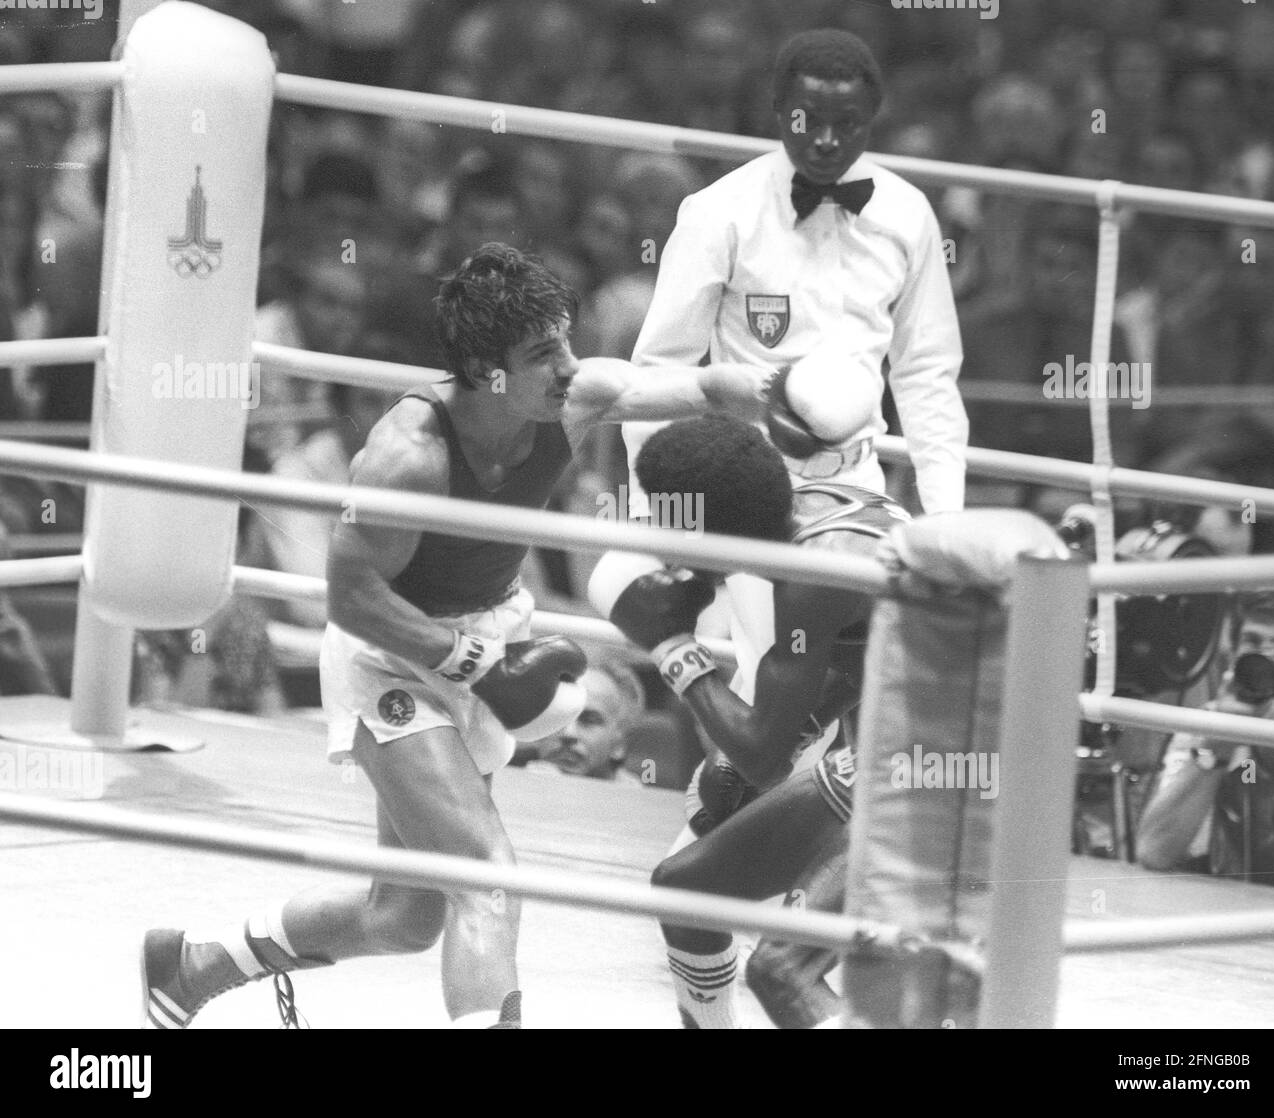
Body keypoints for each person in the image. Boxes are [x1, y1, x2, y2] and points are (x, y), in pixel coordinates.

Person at [139, 243, 807, 1030]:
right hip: (392, 658)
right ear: (486, 369)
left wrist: (784, 390)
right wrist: (471, 662)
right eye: (541, 354)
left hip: (486, 635)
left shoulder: (570, 398)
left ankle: (195, 965)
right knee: (488, 877)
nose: (567, 365)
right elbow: (352, 598)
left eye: (564, 339)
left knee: (405, 917)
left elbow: (698, 387)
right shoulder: (406, 457)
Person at [590, 416, 1060, 1028]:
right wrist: (800, 724)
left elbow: (762, 755)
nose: (660, 535)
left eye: (669, 516)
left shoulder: (816, 573)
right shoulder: (825, 507)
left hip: (953, 775)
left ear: (703, 523)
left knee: (782, 969)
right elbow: (867, 653)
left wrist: (672, 646)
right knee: (685, 891)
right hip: (916, 750)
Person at [622, 27, 967, 516]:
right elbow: (661, 369)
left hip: (863, 485)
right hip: (742, 482)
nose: (827, 141)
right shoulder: (719, 211)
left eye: (847, 123)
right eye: (809, 120)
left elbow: (926, 372)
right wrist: (652, 510)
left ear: (872, 119)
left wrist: (946, 519)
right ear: (780, 109)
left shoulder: (907, 214)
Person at [1136, 591, 1274, 886]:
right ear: (1233, 656)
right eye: (1252, 642)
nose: (1267, 659)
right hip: (1230, 915)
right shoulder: (1208, 724)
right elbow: (1156, 851)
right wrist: (1217, 747)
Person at [514, 656, 647, 782]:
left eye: (589, 720)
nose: (568, 733)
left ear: (620, 744)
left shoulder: (639, 802)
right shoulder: (508, 776)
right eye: (558, 717)